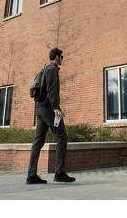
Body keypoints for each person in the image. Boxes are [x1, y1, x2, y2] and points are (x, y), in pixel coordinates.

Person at [26, 48, 75, 184]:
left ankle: (31, 175)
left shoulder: (45, 69)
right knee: (62, 136)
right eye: (62, 57)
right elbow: (51, 89)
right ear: (57, 57)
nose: (62, 59)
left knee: (38, 141)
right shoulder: (52, 69)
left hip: (39, 109)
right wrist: (55, 108)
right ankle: (59, 173)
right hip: (48, 109)